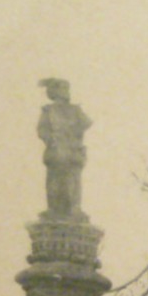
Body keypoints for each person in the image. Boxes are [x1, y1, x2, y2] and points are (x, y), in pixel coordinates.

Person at [36, 78, 92, 219]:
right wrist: (50, 138)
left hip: (71, 149)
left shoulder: (75, 110)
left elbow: (86, 122)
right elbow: (42, 130)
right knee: (55, 180)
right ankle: (54, 209)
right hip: (56, 150)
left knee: (71, 180)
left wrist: (73, 133)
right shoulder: (48, 111)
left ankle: (73, 208)